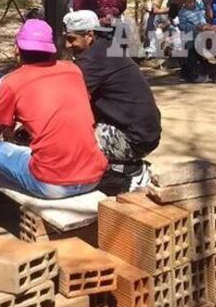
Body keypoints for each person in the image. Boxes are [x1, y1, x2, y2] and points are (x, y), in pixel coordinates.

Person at [0, 19, 108, 238]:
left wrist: (4, 122)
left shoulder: (11, 82)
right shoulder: (73, 71)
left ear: (17, 50)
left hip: (53, 184)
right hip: (93, 175)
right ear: (52, 49)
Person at [63, 11, 161, 193]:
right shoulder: (106, 48)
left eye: (72, 39)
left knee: (67, 137)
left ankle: (129, 173)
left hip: (134, 138)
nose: (68, 45)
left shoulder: (92, 59)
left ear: (89, 36)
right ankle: (123, 167)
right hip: (144, 131)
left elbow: (68, 101)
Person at [176, 0, 209, 83]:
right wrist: (195, 28)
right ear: (184, 2)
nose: (193, 4)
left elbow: (203, 19)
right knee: (190, 57)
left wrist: (204, 25)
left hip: (199, 37)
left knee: (199, 56)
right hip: (188, 38)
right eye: (190, 2)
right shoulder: (182, 13)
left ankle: (197, 73)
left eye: (194, 1)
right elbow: (182, 26)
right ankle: (191, 75)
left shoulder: (198, 10)